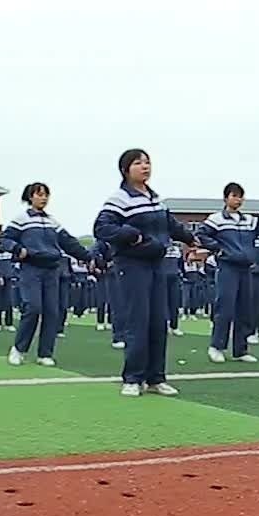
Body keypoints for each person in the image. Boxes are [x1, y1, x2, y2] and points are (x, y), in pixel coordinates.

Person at [94, 149, 201, 397]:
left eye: (147, 162)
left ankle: (156, 378)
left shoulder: (155, 199)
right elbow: (102, 227)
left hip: (157, 264)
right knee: (137, 320)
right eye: (138, 163)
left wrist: (189, 237)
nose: (145, 166)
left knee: (158, 320)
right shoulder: (120, 199)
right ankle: (132, 378)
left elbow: (169, 224)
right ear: (125, 170)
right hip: (132, 266)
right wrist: (132, 235)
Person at [195, 184, 259, 364]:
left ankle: (240, 350)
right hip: (227, 268)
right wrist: (218, 249)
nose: (238, 199)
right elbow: (201, 235)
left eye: (241, 196)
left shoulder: (249, 220)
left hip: (246, 269)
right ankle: (216, 346)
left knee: (245, 310)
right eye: (234, 196)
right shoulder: (217, 219)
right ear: (226, 198)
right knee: (225, 308)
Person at [0, 182, 92, 367]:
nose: (43, 198)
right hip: (31, 269)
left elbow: (69, 242)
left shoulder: (52, 222)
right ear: (30, 197)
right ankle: (19, 349)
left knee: (52, 312)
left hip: (52, 270)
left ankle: (45, 353)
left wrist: (88, 257)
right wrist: (18, 248)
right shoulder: (21, 219)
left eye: (46, 195)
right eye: (39, 194)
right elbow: (4, 239)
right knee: (33, 308)